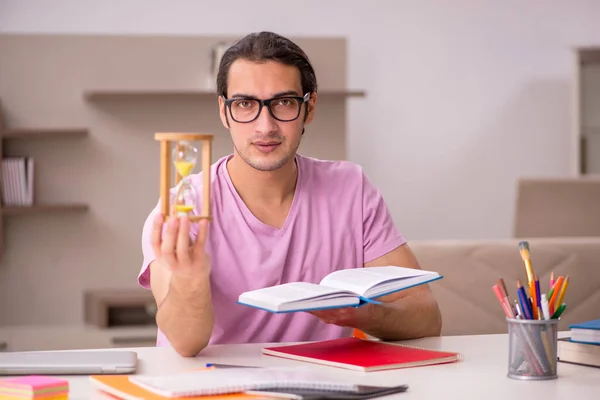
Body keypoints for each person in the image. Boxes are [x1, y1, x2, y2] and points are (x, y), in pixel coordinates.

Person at [139, 31, 442, 357]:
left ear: (308, 108)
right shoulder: (185, 206)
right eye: (245, 104)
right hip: (214, 386)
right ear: (224, 112)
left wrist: (358, 314)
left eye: (283, 103)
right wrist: (191, 280)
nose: (265, 126)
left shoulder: (350, 188)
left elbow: (426, 318)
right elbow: (185, 343)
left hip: (320, 384)